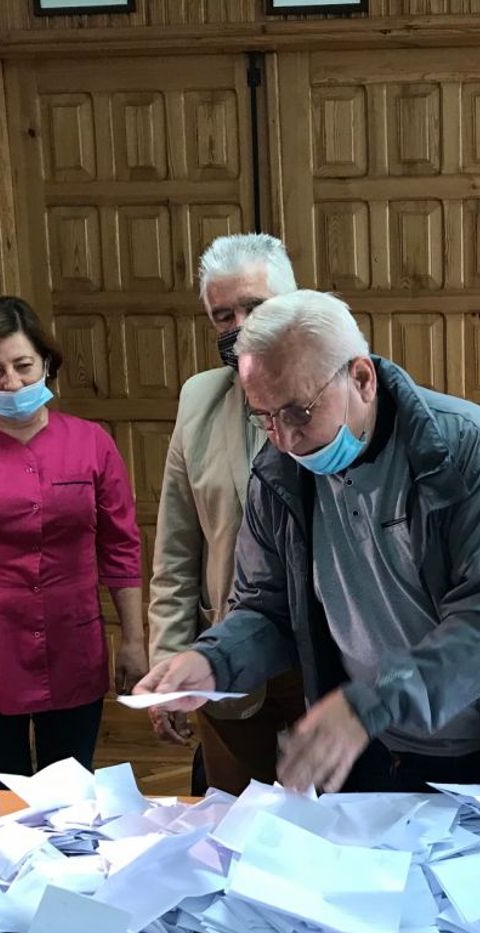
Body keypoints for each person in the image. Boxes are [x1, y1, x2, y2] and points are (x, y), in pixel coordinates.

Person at [136, 290, 480, 801]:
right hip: (380, 742)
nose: (284, 439)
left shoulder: (467, 449)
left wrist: (369, 704)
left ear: (361, 378)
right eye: (264, 417)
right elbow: (268, 610)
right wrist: (214, 660)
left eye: (298, 411)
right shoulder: (277, 474)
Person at [0, 296, 144, 780]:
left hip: (73, 645)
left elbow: (121, 548)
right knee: (1, 795)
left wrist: (135, 641)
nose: (12, 383)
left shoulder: (91, 442)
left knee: (71, 792)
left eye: (23, 366)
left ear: (47, 364)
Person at [147, 234, 306, 794]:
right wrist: (169, 660)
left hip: (326, 667)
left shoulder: (338, 396)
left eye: (255, 308)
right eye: (223, 315)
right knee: (232, 822)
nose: (240, 326)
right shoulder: (199, 400)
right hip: (229, 667)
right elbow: (176, 551)